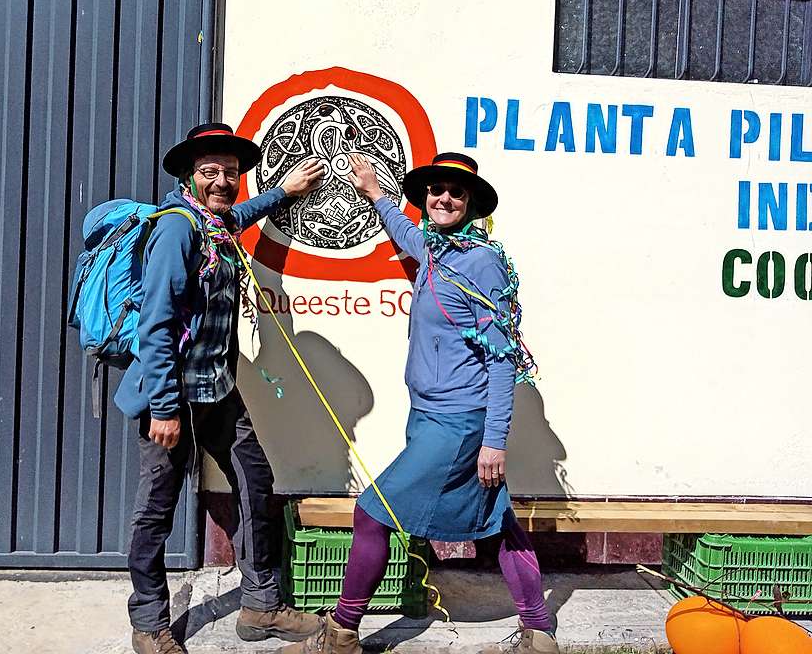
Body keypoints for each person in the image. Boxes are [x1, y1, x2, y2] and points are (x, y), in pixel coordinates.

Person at [281, 151, 557, 654]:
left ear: (471, 204)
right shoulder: (438, 249)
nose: (443, 198)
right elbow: (408, 235)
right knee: (497, 520)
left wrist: (494, 440)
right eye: (435, 190)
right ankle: (539, 631)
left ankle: (341, 634)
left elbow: (502, 359)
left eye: (455, 192)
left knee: (372, 512)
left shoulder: (482, 262)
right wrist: (375, 194)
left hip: (459, 425)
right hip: (432, 418)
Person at [114, 122, 326, 654]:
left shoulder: (216, 225)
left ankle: (260, 607)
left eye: (231, 173)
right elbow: (156, 324)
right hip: (173, 400)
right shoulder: (177, 230)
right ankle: (148, 621)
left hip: (218, 391)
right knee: (156, 510)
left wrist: (285, 192)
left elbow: (237, 217)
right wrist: (163, 408)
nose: (222, 181)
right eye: (210, 171)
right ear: (191, 175)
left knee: (257, 484)